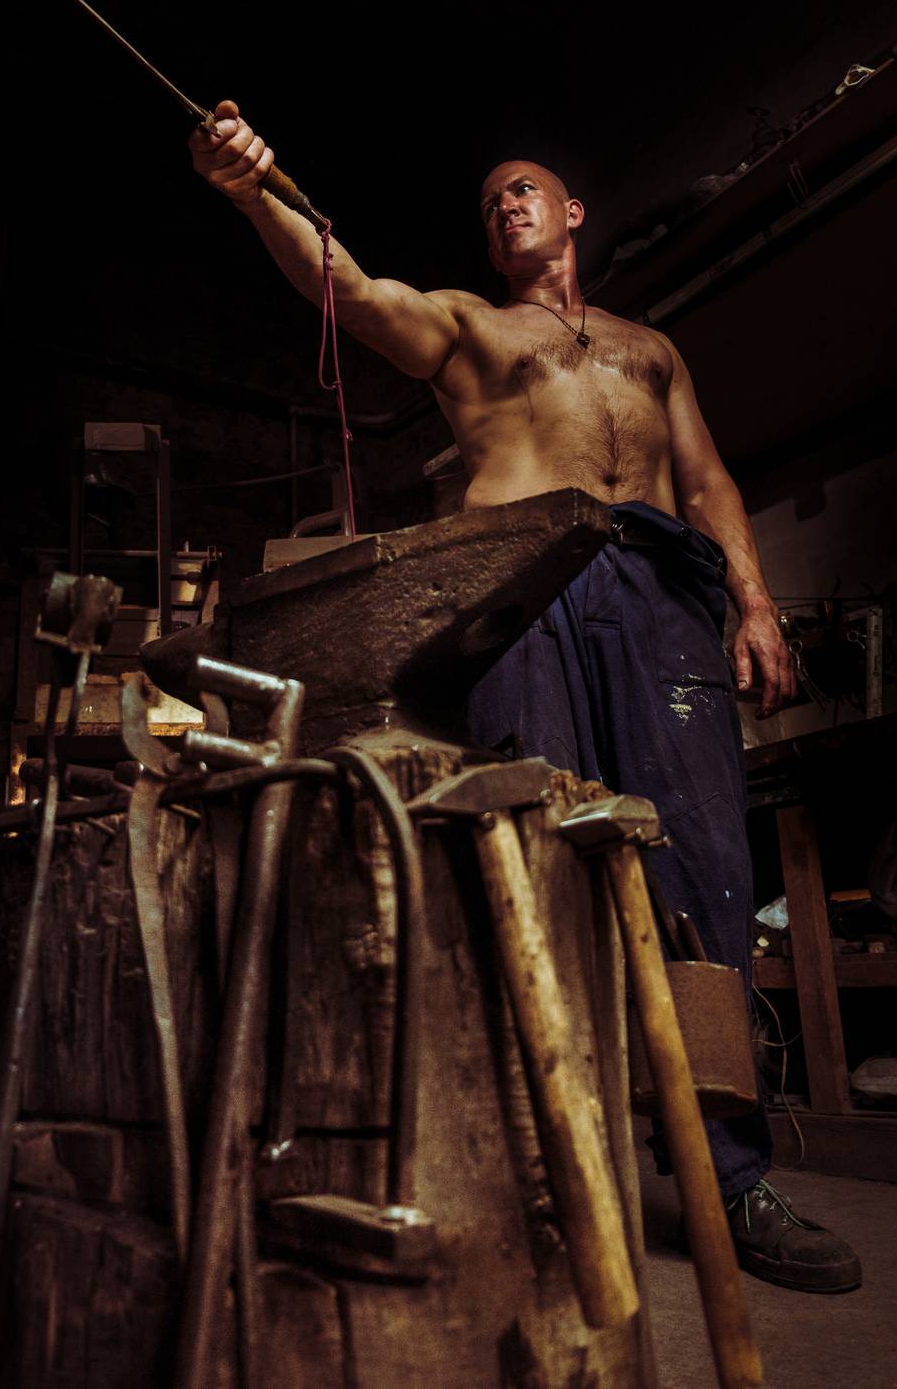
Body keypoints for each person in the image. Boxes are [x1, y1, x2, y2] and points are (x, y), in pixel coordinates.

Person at [189, 101, 861, 1293]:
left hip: (661, 596)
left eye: (525, 188)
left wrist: (754, 601)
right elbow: (354, 291)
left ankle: (729, 1178)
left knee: (702, 871)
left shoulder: (652, 349)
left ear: (572, 212)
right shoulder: (471, 328)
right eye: (491, 198)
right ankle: (560, 1175)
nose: (506, 204)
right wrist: (256, 193)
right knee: (539, 861)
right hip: (525, 584)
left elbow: (708, 480)